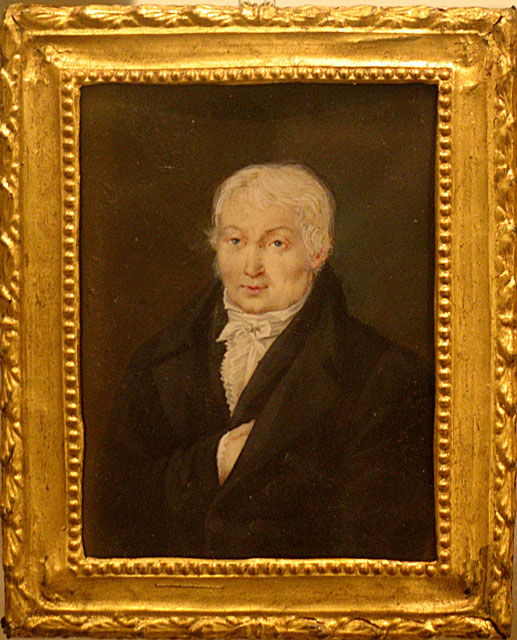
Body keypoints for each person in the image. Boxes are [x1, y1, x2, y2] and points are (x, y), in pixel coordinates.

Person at [89, 163, 436, 560]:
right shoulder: (159, 359)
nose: (251, 267)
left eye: (276, 244)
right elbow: (115, 510)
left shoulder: (384, 374)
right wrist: (214, 462)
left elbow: (379, 550)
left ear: (318, 252)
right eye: (236, 241)